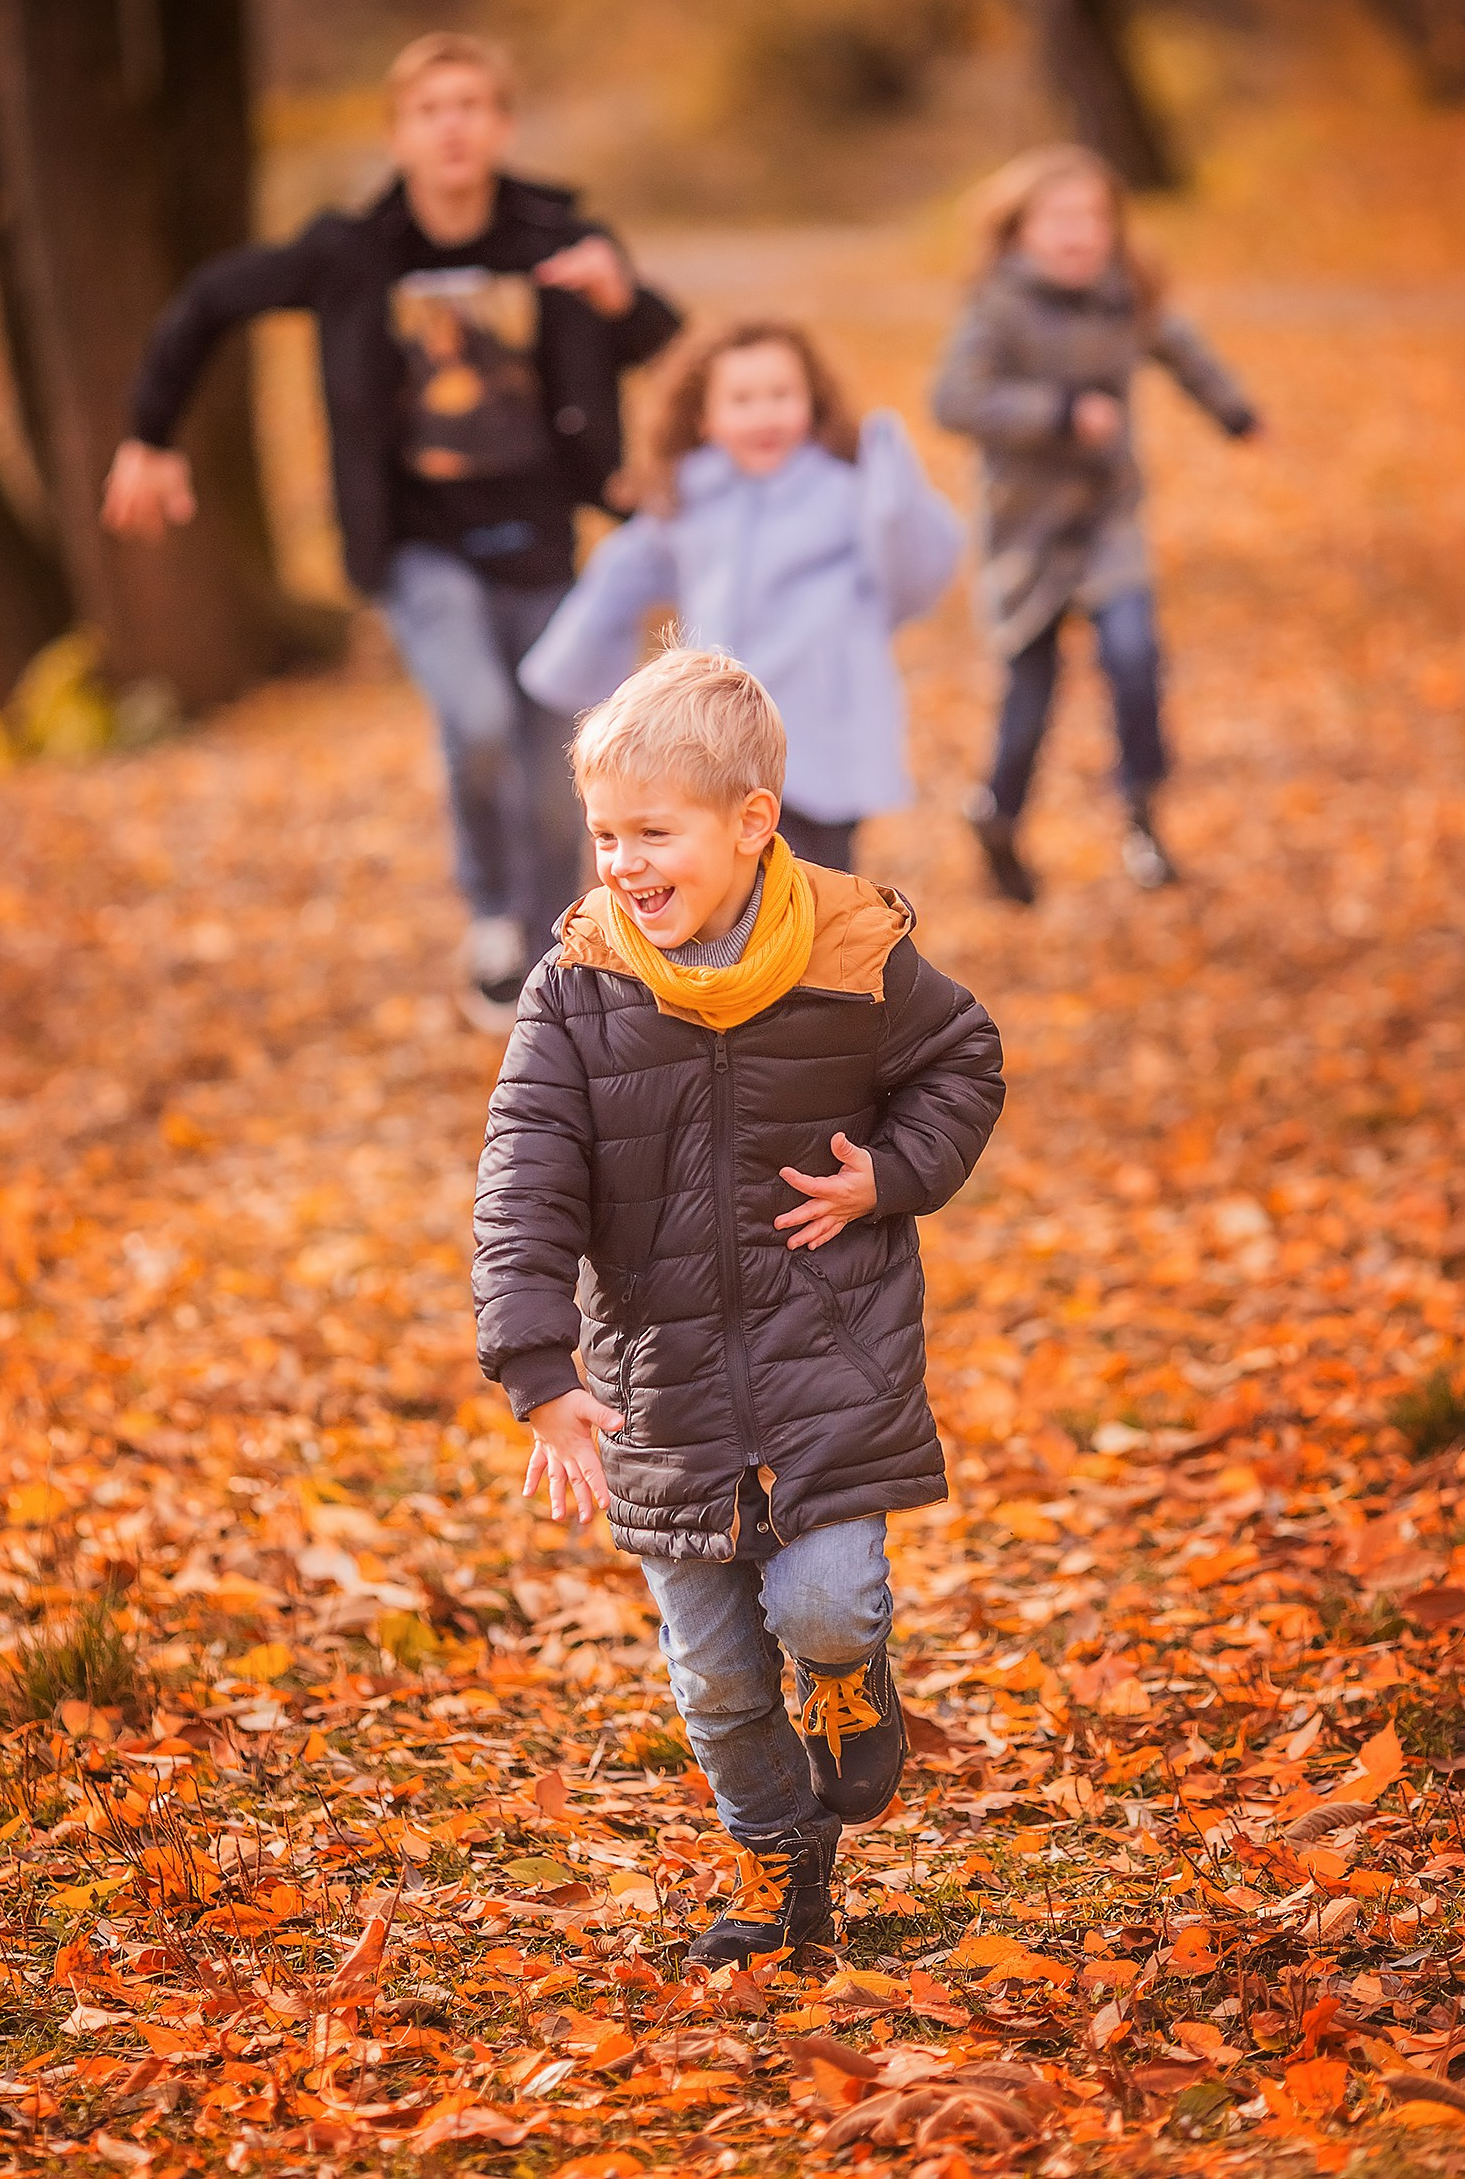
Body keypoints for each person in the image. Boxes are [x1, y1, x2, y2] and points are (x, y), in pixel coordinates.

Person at [471, 649, 1004, 1966]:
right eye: (607, 835)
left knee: (825, 1605)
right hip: (663, 1390)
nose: (624, 864)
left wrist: (893, 1174)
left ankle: (842, 1680)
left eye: (656, 833)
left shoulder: (851, 954)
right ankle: (779, 1883)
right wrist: (538, 1364)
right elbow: (523, 1176)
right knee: (712, 1680)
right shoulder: (579, 989)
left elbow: (962, 1060)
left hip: (830, 1356)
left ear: (752, 823)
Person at [102, 31, 682, 1029]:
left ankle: (562, 940)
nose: (451, 126)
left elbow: (669, 344)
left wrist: (624, 298)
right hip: (418, 551)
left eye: (471, 106)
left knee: (566, 766)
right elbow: (207, 301)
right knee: (481, 720)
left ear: (501, 126)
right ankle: (493, 917)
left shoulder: (557, 239)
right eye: (429, 109)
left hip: (545, 542)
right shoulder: (351, 253)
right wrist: (151, 434)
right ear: (399, 134)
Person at [932, 143, 1261, 906]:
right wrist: (1056, 413)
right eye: (1059, 218)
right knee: (1030, 694)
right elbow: (953, 400)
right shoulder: (996, 309)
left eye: (1093, 217)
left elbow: (1182, 349)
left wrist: (1235, 414)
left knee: (1134, 655)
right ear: (1019, 232)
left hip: (1109, 520)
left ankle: (1143, 818)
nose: (1079, 232)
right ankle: (998, 819)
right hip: (1029, 532)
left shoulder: (1125, 298)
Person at [517, 323, 963, 876]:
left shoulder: (845, 493)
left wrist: (894, 492)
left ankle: (814, 961)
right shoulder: (692, 498)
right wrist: (570, 666)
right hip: (717, 733)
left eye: (781, 396)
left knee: (815, 883)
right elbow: (626, 571)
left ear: (811, 405)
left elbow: (914, 570)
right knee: (727, 880)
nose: (764, 415)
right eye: (742, 400)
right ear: (707, 419)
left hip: (822, 726)